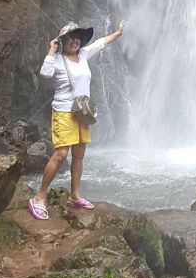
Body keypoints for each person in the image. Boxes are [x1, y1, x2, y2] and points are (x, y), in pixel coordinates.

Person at [28, 19, 125, 220]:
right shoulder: (56, 60)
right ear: (62, 41)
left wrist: (117, 33)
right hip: (63, 112)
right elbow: (44, 74)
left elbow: (99, 43)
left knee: (79, 154)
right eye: (70, 37)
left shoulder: (83, 54)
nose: (75, 41)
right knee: (61, 154)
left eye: (77, 37)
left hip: (82, 112)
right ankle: (39, 196)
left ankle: (74, 196)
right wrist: (51, 50)